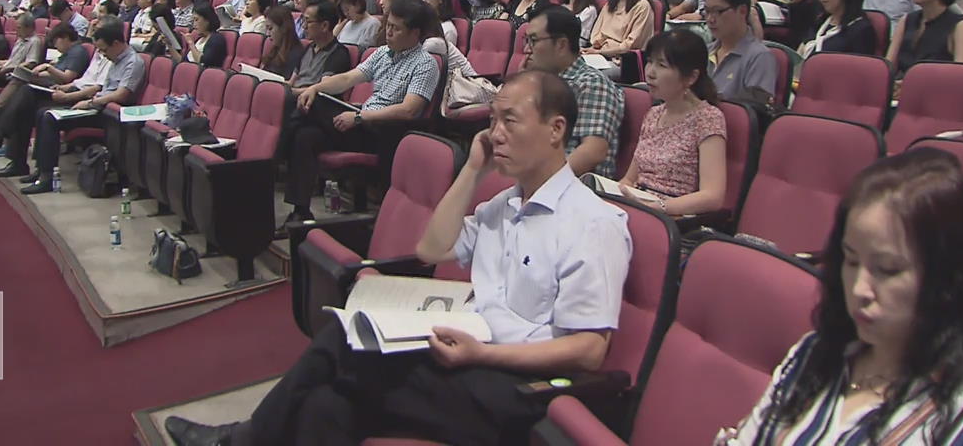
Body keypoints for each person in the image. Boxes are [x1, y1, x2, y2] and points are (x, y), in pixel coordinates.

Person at [168, 70, 630, 446]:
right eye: (493, 121)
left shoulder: (593, 223)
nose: (496, 134)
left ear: (556, 130)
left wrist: (485, 353)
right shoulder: (501, 207)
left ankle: (240, 442)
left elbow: (589, 350)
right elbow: (432, 249)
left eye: (510, 121)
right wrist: (471, 171)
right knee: (325, 405)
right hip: (469, 358)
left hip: (519, 389)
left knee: (342, 346)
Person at [725, 149, 963, 444]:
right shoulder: (813, 354)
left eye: (887, 270)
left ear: (948, 277)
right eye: (851, 261)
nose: (860, 289)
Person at [283, 0, 440, 223]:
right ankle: (300, 212)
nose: (388, 32)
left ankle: (276, 146)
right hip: (360, 124)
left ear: (415, 33)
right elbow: (348, 78)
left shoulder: (425, 64)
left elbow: (409, 110)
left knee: (305, 106)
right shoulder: (382, 53)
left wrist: (359, 117)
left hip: (384, 131)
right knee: (305, 136)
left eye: (396, 29)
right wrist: (315, 87)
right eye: (388, 26)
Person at [16, 20, 144, 194]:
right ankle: (41, 170)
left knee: (49, 118)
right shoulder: (115, 58)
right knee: (41, 113)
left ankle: (47, 178)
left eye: (105, 50)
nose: (103, 54)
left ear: (116, 44)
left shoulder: (132, 62)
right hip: (98, 104)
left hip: (108, 113)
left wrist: (90, 102)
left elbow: (121, 95)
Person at [618, 30, 727, 215]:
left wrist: (659, 208)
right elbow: (629, 179)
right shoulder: (653, 114)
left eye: (661, 65)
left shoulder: (708, 118)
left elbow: (712, 196)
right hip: (639, 208)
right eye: (650, 61)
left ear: (691, 77)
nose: (650, 73)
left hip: (673, 217)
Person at [523, 6, 624, 178]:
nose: (526, 49)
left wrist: (543, 182)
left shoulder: (591, 83)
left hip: (571, 188)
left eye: (533, 41)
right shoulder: (542, 82)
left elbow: (593, 151)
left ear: (561, 44)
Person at [262, 5, 305, 77]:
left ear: (284, 28)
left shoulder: (296, 54)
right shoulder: (275, 50)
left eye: (270, 28)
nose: (267, 34)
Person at [184, 3, 227, 68]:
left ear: (207, 20)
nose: (194, 25)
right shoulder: (199, 39)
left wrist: (191, 45)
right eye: (193, 21)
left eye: (196, 20)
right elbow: (182, 61)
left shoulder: (216, 39)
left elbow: (203, 62)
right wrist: (170, 45)